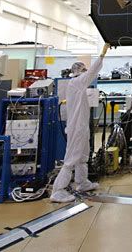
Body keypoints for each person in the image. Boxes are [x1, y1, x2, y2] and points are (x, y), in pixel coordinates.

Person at [51, 44, 109, 203]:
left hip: (81, 126)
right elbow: (92, 72)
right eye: (83, 71)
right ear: (79, 72)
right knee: (71, 158)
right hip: (77, 128)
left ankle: (82, 182)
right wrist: (102, 55)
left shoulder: (77, 85)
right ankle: (58, 190)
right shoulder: (76, 82)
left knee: (83, 155)